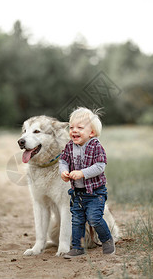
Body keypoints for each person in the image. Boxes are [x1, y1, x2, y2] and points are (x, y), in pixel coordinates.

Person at [59, 107, 115, 258]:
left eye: (79, 128)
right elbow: (63, 160)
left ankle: (107, 240)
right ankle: (77, 247)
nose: (74, 131)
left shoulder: (95, 146)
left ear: (91, 132)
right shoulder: (70, 146)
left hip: (95, 192)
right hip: (77, 193)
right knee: (77, 220)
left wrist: (82, 173)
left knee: (94, 218)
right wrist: (63, 172)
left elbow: (100, 166)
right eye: (71, 128)